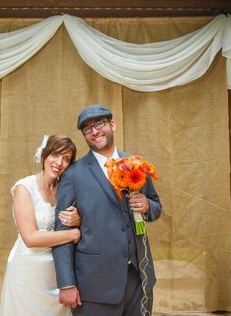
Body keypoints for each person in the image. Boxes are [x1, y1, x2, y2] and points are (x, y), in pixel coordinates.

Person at [52, 104, 162, 316]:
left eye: (100, 124)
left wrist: (148, 206)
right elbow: (61, 234)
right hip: (95, 283)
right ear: (84, 135)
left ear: (112, 125)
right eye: (87, 129)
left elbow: (156, 206)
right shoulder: (73, 175)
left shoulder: (135, 163)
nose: (94, 131)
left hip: (139, 278)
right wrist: (66, 283)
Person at [0, 135, 82, 316]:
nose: (59, 163)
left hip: (56, 272)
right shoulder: (25, 187)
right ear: (44, 155)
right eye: (55, 155)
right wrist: (73, 234)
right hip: (27, 271)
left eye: (66, 159)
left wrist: (78, 219)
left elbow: (81, 219)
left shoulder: (66, 189)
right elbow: (30, 238)